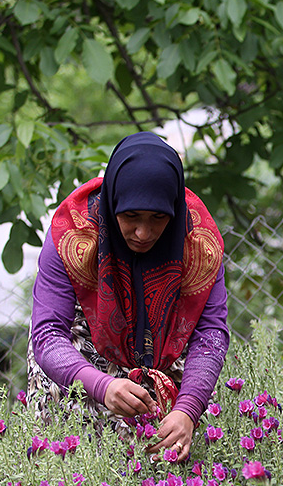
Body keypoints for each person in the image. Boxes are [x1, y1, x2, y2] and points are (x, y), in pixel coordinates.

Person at [28, 132, 229, 461]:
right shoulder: (73, 233)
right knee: (73, 472)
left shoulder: (199, 243)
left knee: (162, 474)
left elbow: (210, 333)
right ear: (113, 203)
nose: (143, 233)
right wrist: (101, 385)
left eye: (158, 218)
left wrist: (188, 409)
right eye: (130, 216)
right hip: (81, 357)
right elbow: (48, 334)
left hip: (163, 349)